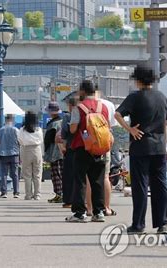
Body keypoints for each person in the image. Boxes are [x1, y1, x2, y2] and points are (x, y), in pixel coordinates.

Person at [115, 63, 167, 234]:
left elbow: (117, 114)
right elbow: (165, 123)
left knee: (140, 186)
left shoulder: (135, 97)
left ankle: (138, 224)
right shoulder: (162, 97)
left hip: (140, 147)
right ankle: (162, 223)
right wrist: (164, 143)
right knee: (160, 185)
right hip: (159, 147)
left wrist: (130, 129)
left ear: (138, 80)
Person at [66, 80, 109, 223]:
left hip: (82, 147)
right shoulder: (103, 107)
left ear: (82, 91)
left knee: (80, 181)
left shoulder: (79, 108)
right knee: (98, 181)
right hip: (99, 148)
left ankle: (80, 213)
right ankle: (99, 212)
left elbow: (73, 129)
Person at [85, 91, 117, 216]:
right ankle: (107, 208)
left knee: (88, 178)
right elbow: (111, 125)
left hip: (89, 144)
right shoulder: (108, 104)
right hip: (104, 143)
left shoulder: (84, 104)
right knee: (104, 176)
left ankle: (89, 209)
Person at [18, 111, 44, 200]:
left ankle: (28, 195)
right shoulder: (38, 129)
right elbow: (41, 140)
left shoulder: (22, 129)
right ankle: (37, 195)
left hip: (25, 150)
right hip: (36, 149)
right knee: (37, 174)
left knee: (27, 175)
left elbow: (20, 140)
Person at [58, 93, 78, 208]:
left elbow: (63, 134)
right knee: (80, 176)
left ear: (70, 106)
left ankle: (69, 200)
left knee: (68, 176)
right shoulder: (85, 114)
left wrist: (63, 147)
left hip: (71, 147)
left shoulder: (67, 117)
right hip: (84, 148)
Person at [0, 114, 20, 198]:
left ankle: (4, 192)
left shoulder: (0, 130)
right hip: (14, 153)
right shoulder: (16, 129)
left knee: (4, 174)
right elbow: (19, 140)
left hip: (3, 154)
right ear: (12, 120)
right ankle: (16, 193)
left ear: (5, 120)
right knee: (15, 174)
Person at [44, 101, 64, 203]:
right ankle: (63, 194)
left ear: (51, 112)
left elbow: (48, 140)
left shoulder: (52, 124)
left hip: (54, 152)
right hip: (63, 150)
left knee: (55, 174)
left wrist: (46, 152)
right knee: (62, 173)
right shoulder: (63, 121)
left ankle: (59, 194)